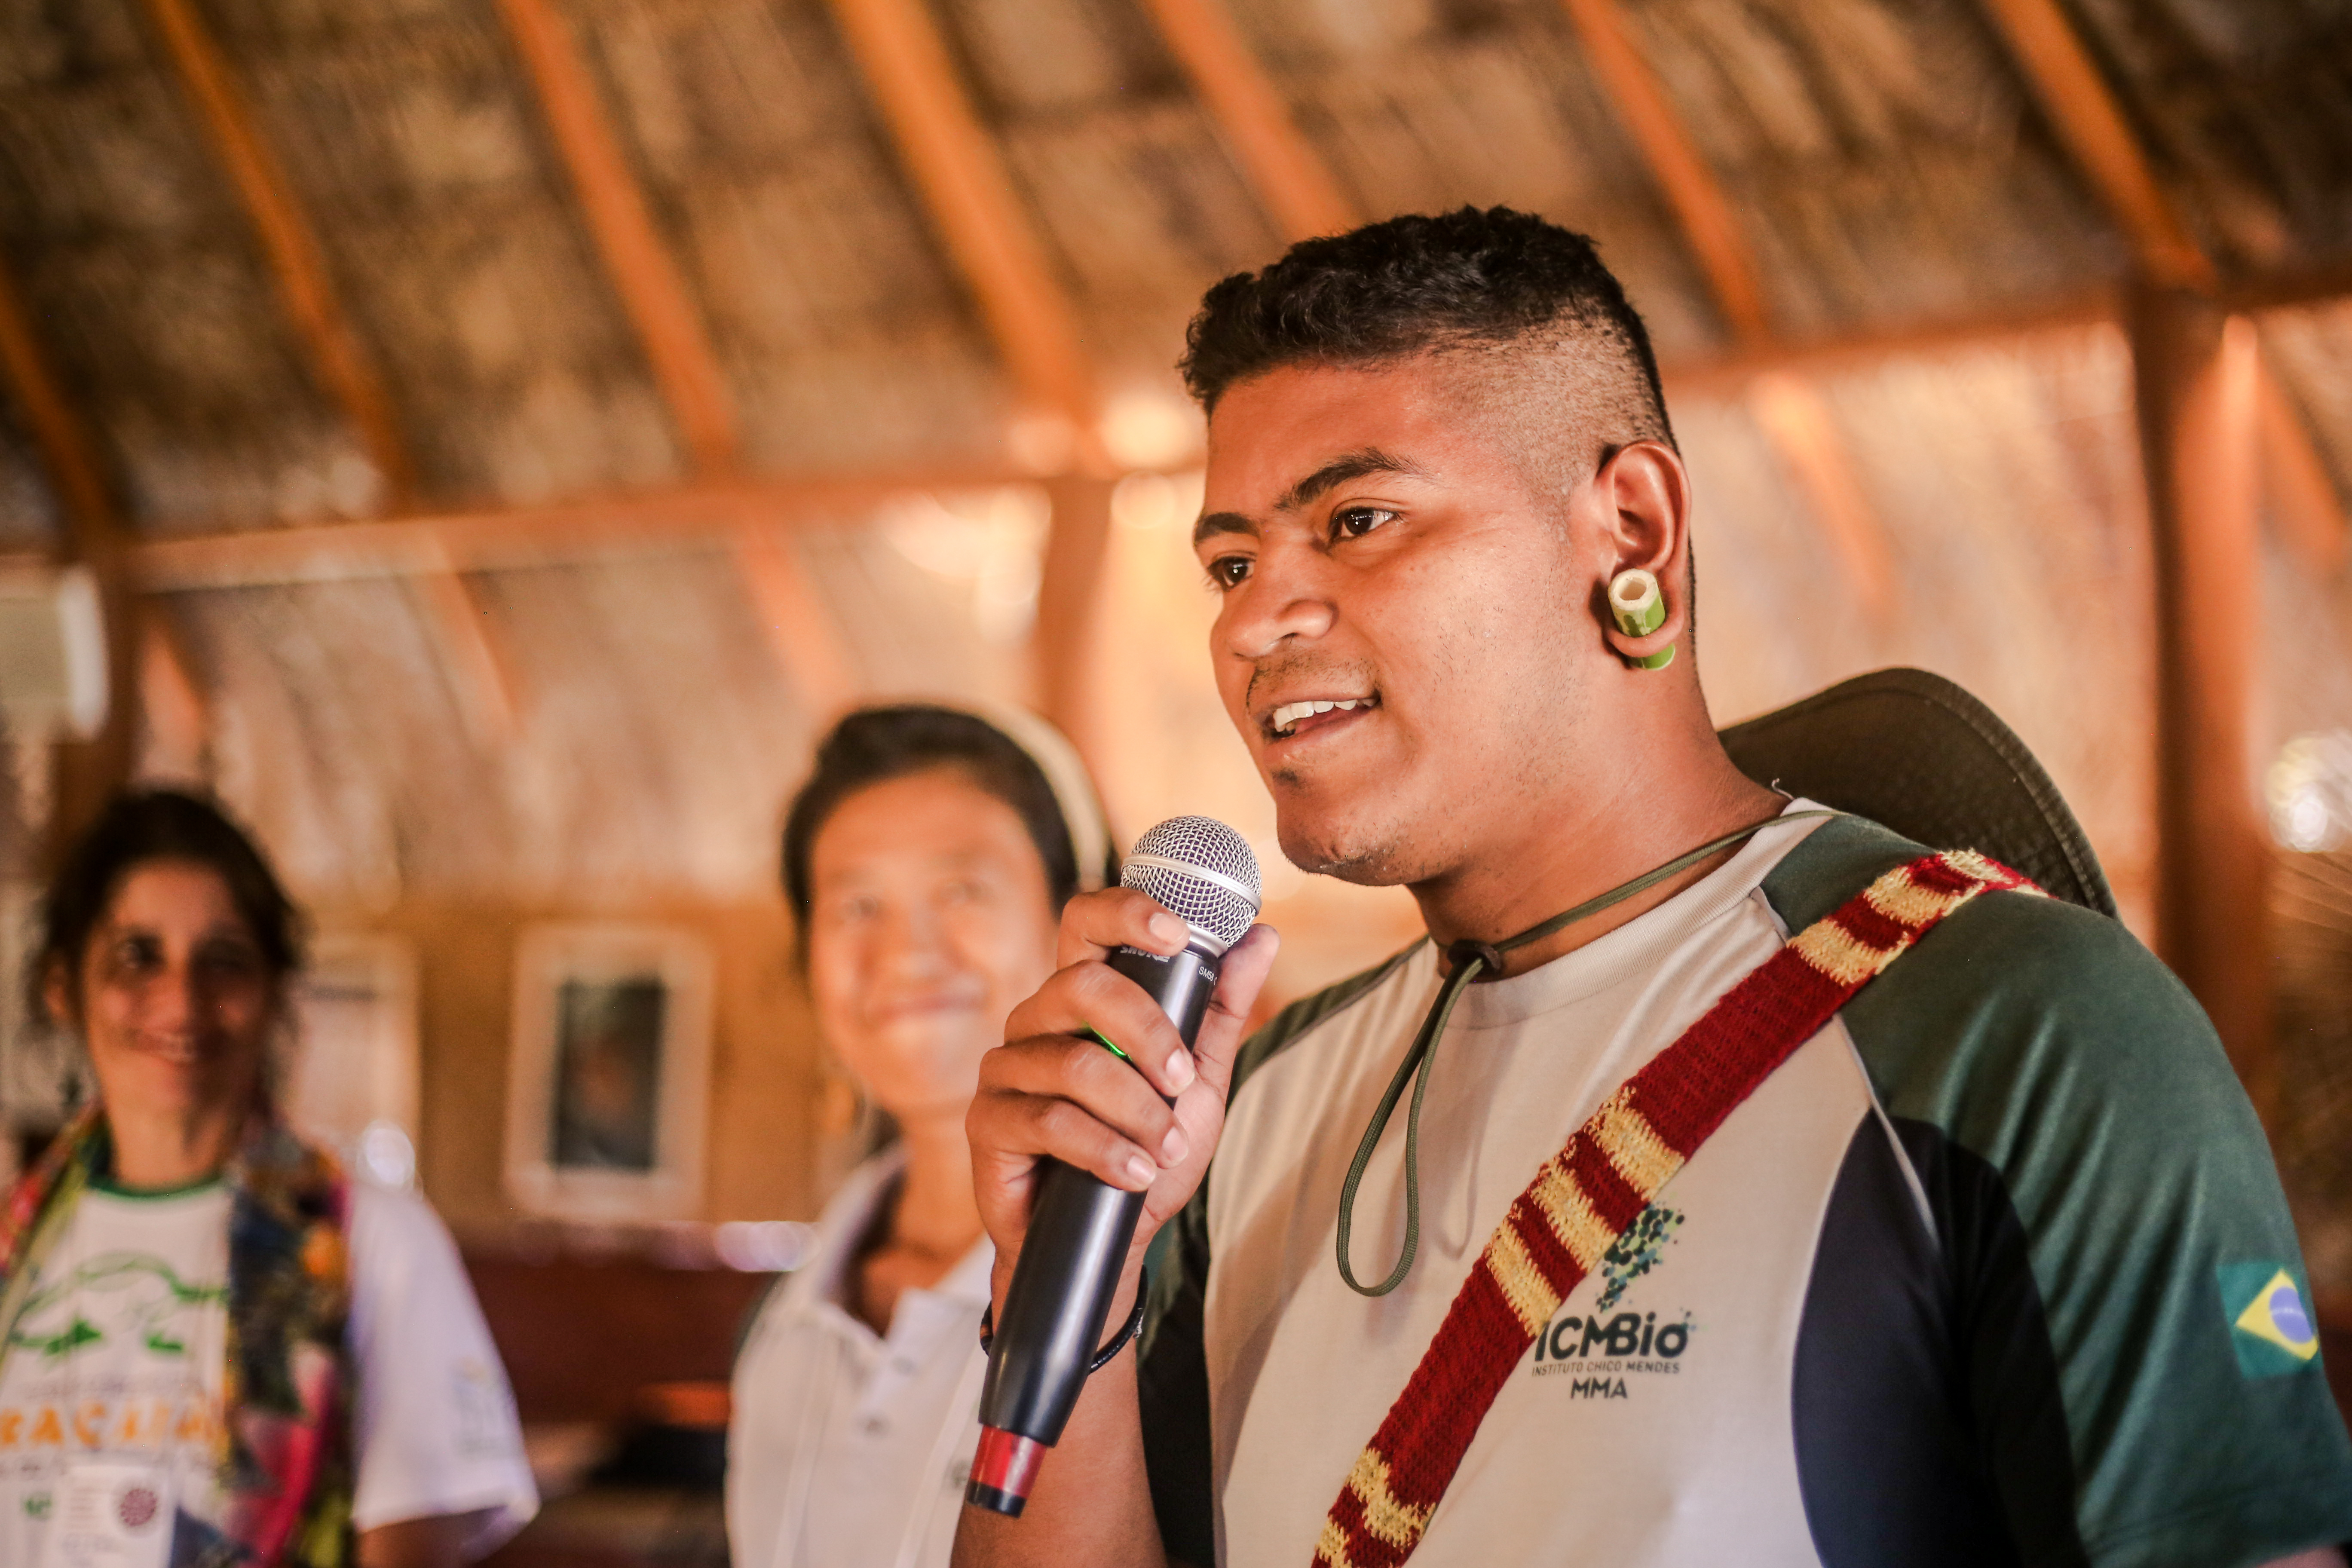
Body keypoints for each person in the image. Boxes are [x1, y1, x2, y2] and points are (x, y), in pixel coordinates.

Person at [955, 208, 2352, 1568]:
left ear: (1628, 530)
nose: (1254, 620)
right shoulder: (1240, 1111)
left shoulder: (2019, 1028)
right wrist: (1065, 1283)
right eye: (1232, 562)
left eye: (1360, 518)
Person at [3, 789, 536, 1568]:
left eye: (224, 961)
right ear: (64, 987)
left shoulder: (371, 1243)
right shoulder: (15, 1250)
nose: (181, 1001)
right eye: (137, 956)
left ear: (276, 991)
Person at [729, 704, 1117, 1568]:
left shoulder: (1166, 1287)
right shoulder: (781, 1328)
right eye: (857, 905)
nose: (904, 953)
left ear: (1078, 921)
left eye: (960, 890)